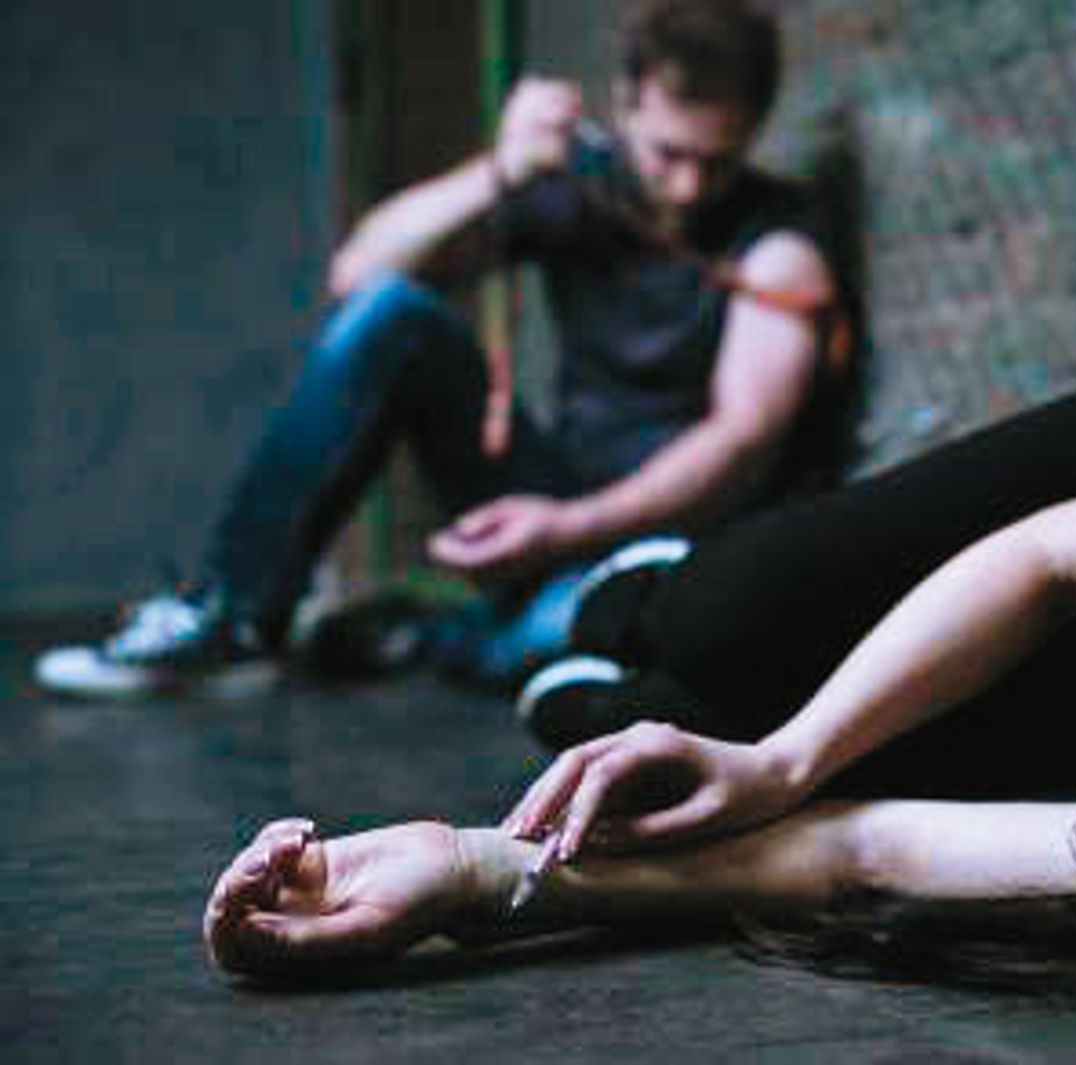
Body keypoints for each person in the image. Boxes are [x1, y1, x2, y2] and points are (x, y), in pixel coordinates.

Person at [201, 311, 1076, 1039]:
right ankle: (621, 591)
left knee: (643, 737)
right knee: (723, 622)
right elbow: (1056, 560)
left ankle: (548, 656)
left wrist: (482, 874)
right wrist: (785, 759)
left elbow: (863, 851)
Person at [36, 0, 848, 697]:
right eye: (669, 155)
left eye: (717, 162)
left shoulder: (778, 245)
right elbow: (357, 275)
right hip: (551, 495)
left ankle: (418, 633)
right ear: (625, 103)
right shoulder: (582, 188)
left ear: (752, 130)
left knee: (571, 640)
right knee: (393, 313)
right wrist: (501, 170)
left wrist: (566, 527)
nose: (688, 188)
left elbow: (740, 443)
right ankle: (233, 616)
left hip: (662, 546)